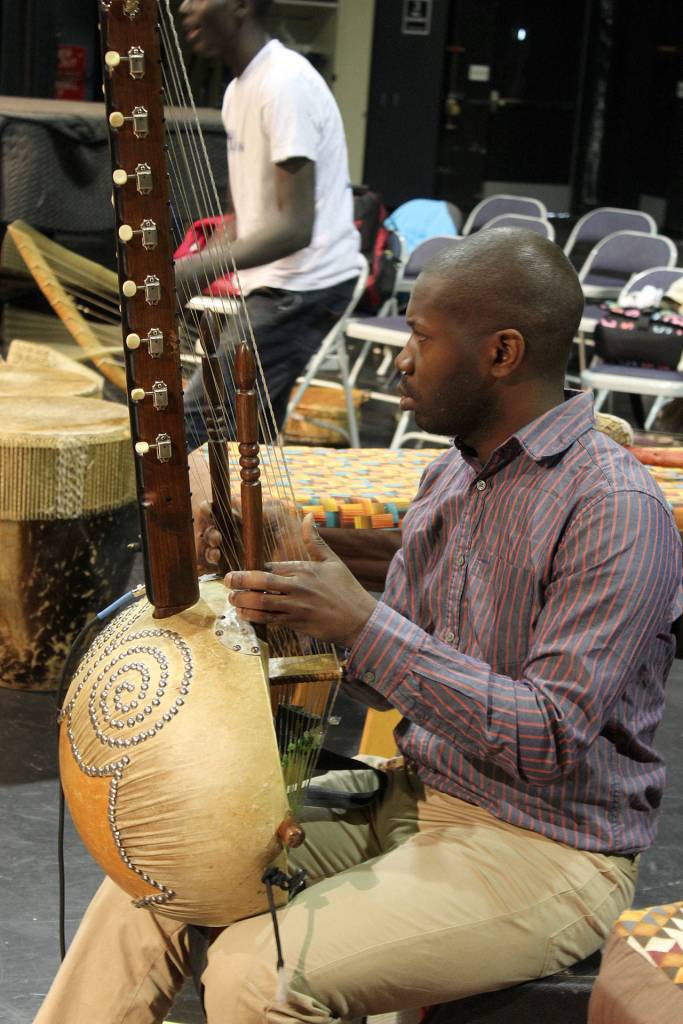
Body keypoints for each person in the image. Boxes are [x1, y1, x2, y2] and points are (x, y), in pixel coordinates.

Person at [36, 229, 682, 1023]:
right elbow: (389, 683)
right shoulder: (452, 476)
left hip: (550, 847)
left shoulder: (612, 511)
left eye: (419, 336)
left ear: (502, 353)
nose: (401, 358)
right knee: (156, 873)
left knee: (256, 973)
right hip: (417, 796)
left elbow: (548, 736)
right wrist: (287, 583)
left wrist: (364, 622)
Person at [177, 0, 363, 449]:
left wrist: (194, 272)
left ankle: (199, 518)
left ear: (241, 6)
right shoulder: (239, 90)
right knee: (246, 431)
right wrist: (199, 262)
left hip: (304, 284)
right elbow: (246, 212)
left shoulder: (285, 83)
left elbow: (295, 228)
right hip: (277, 284)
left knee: (201, 418)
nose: (184, 7)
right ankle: (245, 518)